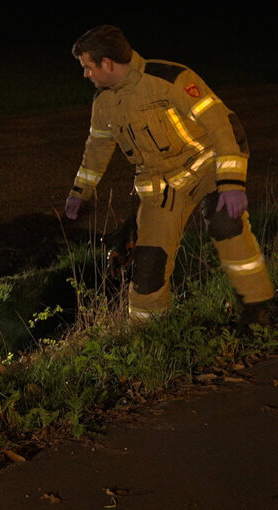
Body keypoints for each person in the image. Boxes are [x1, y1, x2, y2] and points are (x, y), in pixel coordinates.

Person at [64, 25, 275, 325]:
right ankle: (148, 331)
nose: (85, 74)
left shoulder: (171, 79)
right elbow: (96, 150)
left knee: (226, 225)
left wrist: (231, 183)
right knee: (149, 262)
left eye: (87, 67)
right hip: (162, 190)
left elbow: (223, 126)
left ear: (107, 63)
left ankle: (258, 307)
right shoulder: (103, 103)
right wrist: (79, 192)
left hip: (207, 170)